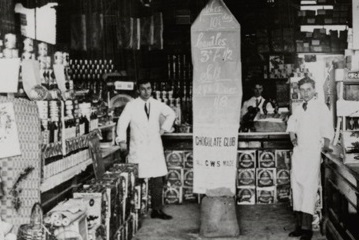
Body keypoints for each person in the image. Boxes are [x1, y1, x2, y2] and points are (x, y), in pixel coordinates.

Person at [116, 80, 176, 220]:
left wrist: (163, 130)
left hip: (154, 147)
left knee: (157, 180)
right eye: (143, 89)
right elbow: (122, 122)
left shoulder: (157, 104)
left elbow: (171, 114)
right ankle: (132, 211)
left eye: (149, 88)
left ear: (152, 89)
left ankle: (157, 210)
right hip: (139, 147)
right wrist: (122, 141)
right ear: (138, 90)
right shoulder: (131, 105)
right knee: (136, 179)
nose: (146, 92)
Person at [286, 77, 334, 240]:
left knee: (309, 189)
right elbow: (292, 125)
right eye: (302, 90)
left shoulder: (321, 108)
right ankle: (299, 226)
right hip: (299, 153)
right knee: (297, 188)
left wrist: (324, 149)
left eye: (308, 89)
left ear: (314, 90)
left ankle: (307, 230)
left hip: (313, 153)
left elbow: (327, 131)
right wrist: (293, 138)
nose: (305, 93)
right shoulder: (299, 108)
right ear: (299, 91)